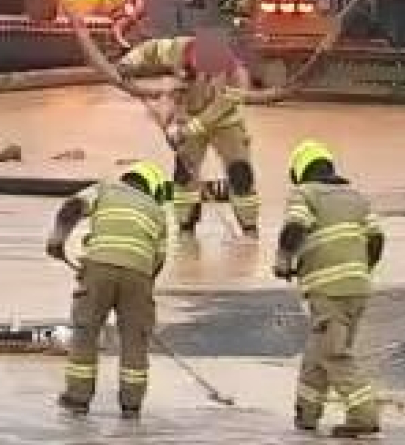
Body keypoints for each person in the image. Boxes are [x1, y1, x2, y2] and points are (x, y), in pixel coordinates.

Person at [274, 140, 385, 437]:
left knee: (334, 354)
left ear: (299, 171)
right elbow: (376, 240)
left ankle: (364, 415)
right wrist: (360, 271)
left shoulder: (305, 193)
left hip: (328, 291)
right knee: (318, 351)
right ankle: (306, 414)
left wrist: (283, 263)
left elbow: (294, 229)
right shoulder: (357, 197)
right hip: (358, 289)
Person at [47, 161, 172, 419]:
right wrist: (140, 294)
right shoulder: (158, 213)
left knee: (85, 333)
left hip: (98, 269)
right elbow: (158, 261)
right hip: (139, 275)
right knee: (135, 340)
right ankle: (131, 406)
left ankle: (78, 399)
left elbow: (72, 207)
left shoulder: (104, 190)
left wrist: (57, 240)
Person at [116, 29, 260, 235]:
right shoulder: (177, 49)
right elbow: (149, 50)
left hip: (226, 122)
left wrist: (186, 131)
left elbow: (218, 111)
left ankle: (249, 225)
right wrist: (128, 63)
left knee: (240, 172)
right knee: (184, 174)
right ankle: (186, 224)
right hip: (186, 116)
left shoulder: (235, 74)